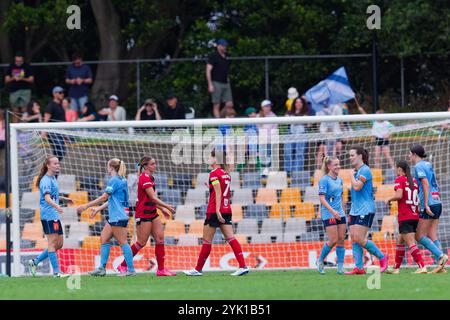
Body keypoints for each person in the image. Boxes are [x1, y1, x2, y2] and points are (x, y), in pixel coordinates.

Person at [183, 150, 249, 276]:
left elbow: (218, 193)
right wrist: (210, 187)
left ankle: (197, 269)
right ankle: (243, 266)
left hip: (215, 211)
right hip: (226, 209)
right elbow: (221, 191)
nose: (209, 159)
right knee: (231, 238)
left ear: (216, 159)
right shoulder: (226, 174)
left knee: (206, 241)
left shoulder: (213, 173)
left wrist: (217, 210)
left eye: (210, 157)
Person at [117, 156, 176, 276]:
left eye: (155, 163)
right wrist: (167, 207)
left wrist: (161, 209)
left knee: (160, 239)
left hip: (153, 213)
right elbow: (153, 197)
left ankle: (161, 270)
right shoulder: (144, 177)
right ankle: (122, 265)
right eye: (152, 164)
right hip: (143, 214)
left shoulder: (150, 177)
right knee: (141, 243)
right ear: (145, 166)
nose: (155, 166)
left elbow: (149, 198)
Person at [76, 158, 136, 277]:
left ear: (111, 167)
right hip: (118, 215)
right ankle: (102, 268)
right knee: (104, 238)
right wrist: (98, 209)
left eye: (107, 165)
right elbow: (112, 200)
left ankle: (131, 270)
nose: (107, 167)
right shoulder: (122, 180)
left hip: (118, 216)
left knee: (123, 242)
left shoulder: (113, 180)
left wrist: (86, 205)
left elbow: (104, 197)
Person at [345, 146, 389, 275]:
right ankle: (359, 267)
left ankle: (382, 257)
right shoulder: (356, 171)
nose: (350, 157)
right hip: (355, 209)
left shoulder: (365, 170)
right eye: (349, 155)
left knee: (359, 237)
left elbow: (357, 186)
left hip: (365, 208)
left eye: (352, 155)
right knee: (353, 238)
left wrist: (351, 176)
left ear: (360, 156)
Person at [28, 155, 73, 277]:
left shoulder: (52, 178)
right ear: (48, 165)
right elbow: (47, 198)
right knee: (52, 243)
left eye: (58, 163)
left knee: (59, 244)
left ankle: (35, 262)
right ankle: (57, 272)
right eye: (55, 163)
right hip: (48, 215)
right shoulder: (45, 180)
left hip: (54, 215)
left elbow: (52, 196)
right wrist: (57, 206)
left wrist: (64, 199)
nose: (58, 165)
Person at [409, 144, 448, 273]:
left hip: (429, 203)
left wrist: (425, 204)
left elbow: (425, 184)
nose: (409, 156)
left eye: (410, 153)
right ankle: (441, 265)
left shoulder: (418, 166)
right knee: (432, 234)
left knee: (419, 236)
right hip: (437, 201)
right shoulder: (428, 164)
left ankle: (441, 256)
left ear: (414, 154)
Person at [385, 160, 427, 274]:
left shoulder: (400, 179)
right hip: (414, 214)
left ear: (399, 169)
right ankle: (396, 268)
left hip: (405, 215)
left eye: (396, 168)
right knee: (400, 240)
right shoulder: (413, 181)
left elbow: (399, 195)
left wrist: (389, 199)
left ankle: (422, 266)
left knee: (410, 242)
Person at [317, 157, 346, 275]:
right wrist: (333, 211)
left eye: (339, 164)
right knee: (333, 240)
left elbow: (341, 197)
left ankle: (340, 268)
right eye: (335, 165)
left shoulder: (340, 180)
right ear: (329, 166)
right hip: (328, 212)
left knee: (341, 240)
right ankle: (320, 260)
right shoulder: (324, 180)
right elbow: (322, 198)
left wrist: (343, 212)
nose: (338, 166)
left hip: (340, 213)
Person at [206, 39, 233, 118]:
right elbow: (208, 70)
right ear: (218, 46)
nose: (224, 47)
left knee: (229, 104)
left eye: (225, 46)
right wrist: (210, 84)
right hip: (216, 82)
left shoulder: (227, 56)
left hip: (226, 82)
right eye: (223, 46)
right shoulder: (213, 56)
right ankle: (219, 123)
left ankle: (222, 119)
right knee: (217, 104)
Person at [284, 97, 308, 175]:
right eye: (296, 102)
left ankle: (296, 171)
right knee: (287, 151)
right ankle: (288, 171)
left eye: (300, 102)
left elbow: (309, 124)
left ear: (303, 104)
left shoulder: (306, 113)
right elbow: (285, 121)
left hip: (301, 134)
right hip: (290, 134)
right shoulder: (289, 112)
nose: (298, 104)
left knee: (299, 153)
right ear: (294, 104)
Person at [44, 86, 67, 161]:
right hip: (53, 132)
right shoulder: (51, 105)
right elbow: (46, 118)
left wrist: (65, 132)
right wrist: (44, 131)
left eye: (62, 92)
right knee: (59, 150)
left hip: (60, 132)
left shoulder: (60, 105)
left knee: (61, 152)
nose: (62, 94)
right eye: (60, 92)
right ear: (54, 94)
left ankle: (53, 169)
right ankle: (51, 167)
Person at [257, 100, 278, 176]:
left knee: (268, 156)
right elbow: (258, 128)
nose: (268, 107)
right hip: (262, 140)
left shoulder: (274, 116)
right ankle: (262, 172)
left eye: (269, 106)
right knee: (262, 156)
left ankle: (268, 172)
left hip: (270, 140)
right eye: (266, 106)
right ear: (262, 107)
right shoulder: (258, 116)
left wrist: (269, 138)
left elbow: (275, 128)